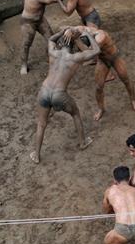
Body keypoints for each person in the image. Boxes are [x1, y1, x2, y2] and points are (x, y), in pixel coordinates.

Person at [29, 27, 101, 163]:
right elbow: (96, 51)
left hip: (44, 90)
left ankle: (37, 155)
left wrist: (63, 32)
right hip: (59, 94)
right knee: (75, 114)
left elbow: (51, 39)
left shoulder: (53, 52)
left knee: (41, 123)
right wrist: (85, 34)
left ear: (60, 43)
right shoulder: (75, 57)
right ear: (73, 45)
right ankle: (82, 142)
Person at [61, 24, 135, 120]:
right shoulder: (83, 29)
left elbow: (91, 53)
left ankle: (133, 101)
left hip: (114, 58)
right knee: (99, 87)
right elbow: (65, 27)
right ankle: (101, 109)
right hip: (103, 61)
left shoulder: (100, 36)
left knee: (126, 80)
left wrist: (76, 40)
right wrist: (68, 30)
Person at [19, 0, 59, 75]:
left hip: (40, 19)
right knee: (26, 44)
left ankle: (51, 58)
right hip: (28, 22)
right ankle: (24, 65)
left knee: (51, 38)